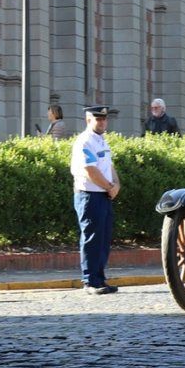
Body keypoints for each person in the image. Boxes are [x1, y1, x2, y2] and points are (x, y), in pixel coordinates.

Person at [71, 105, 121, 295]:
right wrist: (110, 187)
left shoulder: (101, 140)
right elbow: (90, 170)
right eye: (97, 119)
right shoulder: (84, 141)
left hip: (104, 195)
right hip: (89, 195)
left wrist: (116, 184)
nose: (102, 122)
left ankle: (100, 279)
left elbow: (109, 166)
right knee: (92, 238)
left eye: (104, 119)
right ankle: (90, 281)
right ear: (88, 120)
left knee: (103, 238)